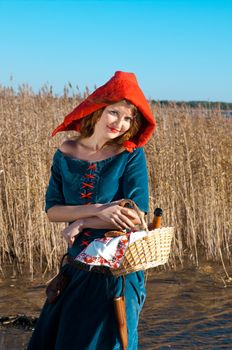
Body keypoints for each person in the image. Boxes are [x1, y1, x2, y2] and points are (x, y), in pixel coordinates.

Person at [28, 71, 155, 350]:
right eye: (113, 113)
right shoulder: (66, 151)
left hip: (117, 271)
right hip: (76, 267)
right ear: (98, 109)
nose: (119, 124)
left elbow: (136, 215)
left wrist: (83, 220)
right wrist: (100, 209)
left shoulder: (131, 154)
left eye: (127, 118)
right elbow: (53, 211)